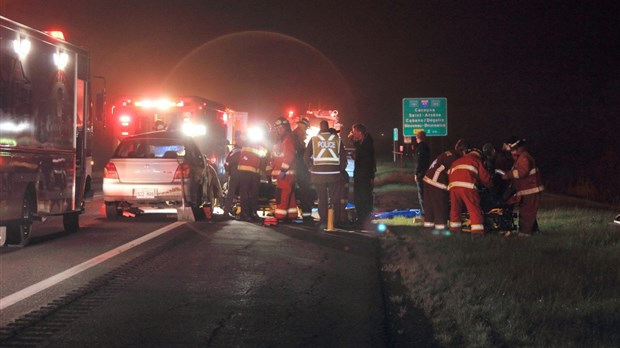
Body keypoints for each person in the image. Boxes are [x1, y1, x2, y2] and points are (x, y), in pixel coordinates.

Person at [304, 126, 347, 229]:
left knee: (322, 198)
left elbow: (306, 156)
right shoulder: (337, 139)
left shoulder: (314, 140)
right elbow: (343, 157)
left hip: (318, 175)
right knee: (335, 199)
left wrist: (311, 167)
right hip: (334, 174)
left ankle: (323, 220)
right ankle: (335, 221)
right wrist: (340, 169)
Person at [422, 139, 468, 232]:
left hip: (427, 179)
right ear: (463, 150)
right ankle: (441, 229)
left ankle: (428, 227)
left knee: (429, 206)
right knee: (440, 206)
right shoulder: (455, 157)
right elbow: (454, 173)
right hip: (437, 182)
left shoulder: (448, 154)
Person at [501, 139, 544, 236]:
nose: (511, 152)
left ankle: (524, 234)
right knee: (527, 211)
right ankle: (534, 231)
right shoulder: (521, 157)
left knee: (527, 212)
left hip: (531, 190)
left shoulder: (524, 158)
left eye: (512, 149)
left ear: (517, 149)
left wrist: (508, 175)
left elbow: (522, 172)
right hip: (528, 190)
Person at [448, 148, 493, 235]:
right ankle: (477, 232)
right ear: (480, 155)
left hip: (453, 187)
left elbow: (450, 174)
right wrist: (490, 185)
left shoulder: (457, 161)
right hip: (468, 186)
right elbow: (485, 178)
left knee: (455, 209)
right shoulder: (476, 160)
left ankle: (454, 230)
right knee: (474, 209)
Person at [237, 127, 269, 221]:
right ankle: (245, 214)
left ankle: (253, 213)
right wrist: (247, 132)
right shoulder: (247, 139)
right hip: (245, 170)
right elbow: (240, 140)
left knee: (254, 193)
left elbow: (264, 157)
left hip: (256, 172)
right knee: (245, 192)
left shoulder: (263, 143)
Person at [348, 123, 376, 229]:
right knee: (360, 197)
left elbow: (365, 158)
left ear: (359, 132)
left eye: (354, 131)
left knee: (363, 197)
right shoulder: (364, 142)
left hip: (364, 175)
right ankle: (362, 219)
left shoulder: (367, 144)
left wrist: (356, 155)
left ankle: (363, 220)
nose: (352, 133)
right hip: (362, 174)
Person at [271, 117, 298, 221]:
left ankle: (280, 215)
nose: (278, 130)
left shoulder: (288, 139)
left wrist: (283, 170)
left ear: (285, 128)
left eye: (280, 127)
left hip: (286, 173)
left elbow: (289, 156)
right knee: (289, 194)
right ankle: (291, 214)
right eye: (277, 128)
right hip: (285, 173)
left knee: (283, 193)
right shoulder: (283, 140)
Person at [292, 118, 314, 222]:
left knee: (302, 192)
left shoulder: (295, 135)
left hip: (298, 169)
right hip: (299, 170)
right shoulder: (296, 135)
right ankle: (306, 215)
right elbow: (299, 155)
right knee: (305, 191)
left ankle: (304, 214)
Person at [223, 138, 242, 218]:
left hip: (233, 173)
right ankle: (243, 212)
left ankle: (226, 212)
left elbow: (227, 164)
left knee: (231, 193)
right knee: (243, 193)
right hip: (242, 173)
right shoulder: (243, 151)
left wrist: (229, 170)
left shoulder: (232, 152)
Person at [413, 130, 431, 216]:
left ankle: (424, 213)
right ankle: (427, 211)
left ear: (417, 137)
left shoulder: (420, 147)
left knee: (421, 194)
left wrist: (416, 173)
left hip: (421, 174)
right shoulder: (426, 147)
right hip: (427, 172)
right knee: (426, 194)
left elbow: (419, 161)